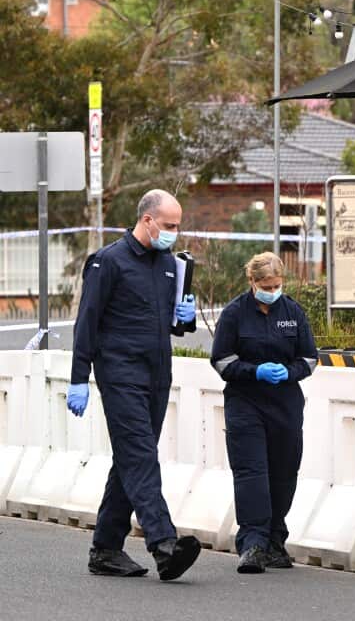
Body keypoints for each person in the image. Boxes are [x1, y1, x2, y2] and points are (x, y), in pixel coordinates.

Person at [68, 189, 202, 581]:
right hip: (120, 373)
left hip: (157, 374)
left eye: (178, 226)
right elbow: (86, 324)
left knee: (130, 458)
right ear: (147, 220)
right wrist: (79, 378)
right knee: (141, 455)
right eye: (169, 225)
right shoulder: (108, 262)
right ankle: (164, 544)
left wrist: (186, 318)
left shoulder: (167, 265)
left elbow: (173, 325)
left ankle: (106, 549)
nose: (174, 233)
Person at [210, 252, 318, 574]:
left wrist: (289, 372)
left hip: (285, 405)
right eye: (266, 285)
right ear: (252, 282)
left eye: (277, 284)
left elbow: (310, 358)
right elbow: (221, 360)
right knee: (251, 474)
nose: (272, 290)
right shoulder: (234, 314)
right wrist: (254, 371)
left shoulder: (293, 313)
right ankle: (252, 544)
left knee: (284, 474)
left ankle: (274, 540)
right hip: (246, 403)